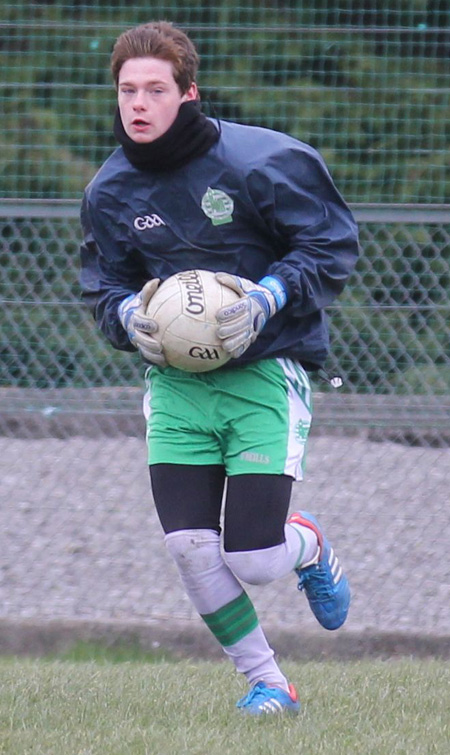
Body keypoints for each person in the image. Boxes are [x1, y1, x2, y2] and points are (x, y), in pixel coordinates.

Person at [79, 20, 359, 716]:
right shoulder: (110, 192)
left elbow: (330, 242)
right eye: (126, 91)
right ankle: (269, 682)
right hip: (176, 387)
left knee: (257, 558)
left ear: (188, 93)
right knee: (190, 547)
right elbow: (102, 284)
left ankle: (308, 544)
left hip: (263, 373)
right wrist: (123, 316)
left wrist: (270, 293)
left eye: (154, 89)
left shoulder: (261, 162)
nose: (137, 104)